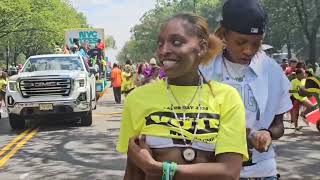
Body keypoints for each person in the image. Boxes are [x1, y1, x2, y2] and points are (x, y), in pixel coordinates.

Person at [117, 13, 248, 180]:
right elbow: (134, 172)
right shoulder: (138, 99)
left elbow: (229, 172)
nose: (164, 51)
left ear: (201, 47)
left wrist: (162, 170)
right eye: (160, 44)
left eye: (176, 42)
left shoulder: (226, 97)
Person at [200, 0, 292, 179]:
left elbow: (278, 124)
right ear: (224, 34)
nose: (248, 51)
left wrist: (268, 133)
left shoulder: (272, 71)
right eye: (241, 42)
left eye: (256, 44)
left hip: (263, 171)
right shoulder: (205, 69)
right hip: (217, 170)